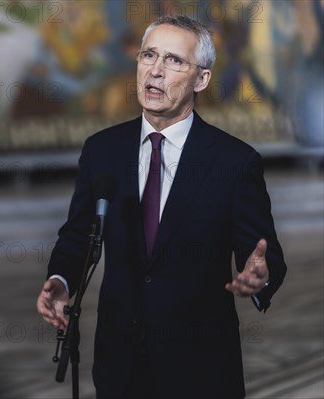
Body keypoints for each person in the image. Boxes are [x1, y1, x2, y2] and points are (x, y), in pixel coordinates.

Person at [36, 15, 286, 398]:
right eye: (148, 55)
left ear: (201, 79)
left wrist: (261, 274)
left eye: (174, 61)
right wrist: (61, 280)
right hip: (120, 364)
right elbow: (78, 235)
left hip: (200, 367)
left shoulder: (234, 162)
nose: (155, 71)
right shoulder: (103, 150)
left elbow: (263, 252)